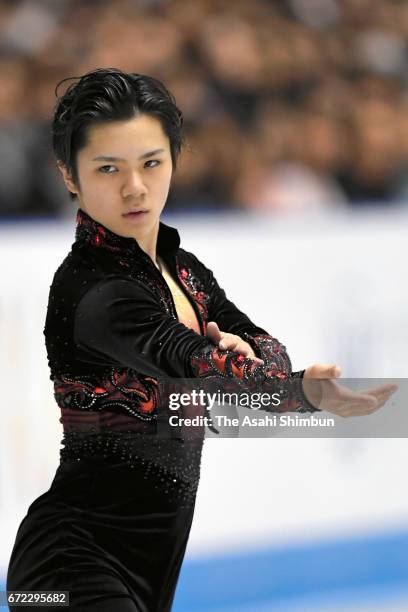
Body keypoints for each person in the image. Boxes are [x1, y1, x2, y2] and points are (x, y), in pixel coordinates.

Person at [6, 68, 397, 612]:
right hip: (62, 574)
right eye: (108, 169)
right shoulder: (95, 290)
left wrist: (264, 368)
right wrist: (296, 390)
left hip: (144, 571)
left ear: (174, 159)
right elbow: (198, 364)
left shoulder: (183, 271)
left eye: (151, 163)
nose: (135, 187)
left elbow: (262, 346)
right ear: (69, 176)